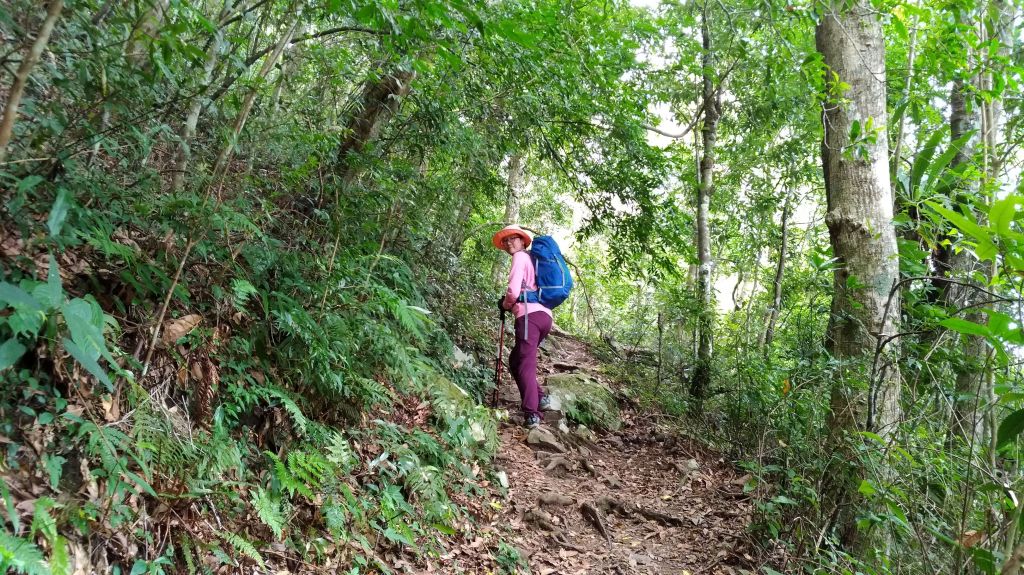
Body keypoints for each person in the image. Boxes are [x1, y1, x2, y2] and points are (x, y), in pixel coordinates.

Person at [492, 224, 552, 428]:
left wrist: (505, 304)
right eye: (506, 240)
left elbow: (513, 290)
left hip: (529, 316)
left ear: (522, 241)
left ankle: (532, 413)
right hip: (544, 317)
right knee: (516, 360)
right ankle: (540, 398)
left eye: (513, 239)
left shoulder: (520, 257)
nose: (509, 243)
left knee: (525, 364)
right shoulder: (531, 259)